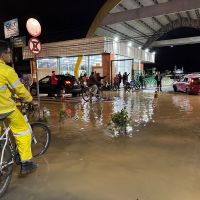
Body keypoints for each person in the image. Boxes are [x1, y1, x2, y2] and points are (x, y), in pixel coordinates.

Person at [0, 40, 37, 175]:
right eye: (9, 53)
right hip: (5, 109)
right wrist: (31, 100)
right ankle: (26, 163)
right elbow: (20, 90)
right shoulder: (6, 70)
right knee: (23, 131)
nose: (10, 56)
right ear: (2, 54)